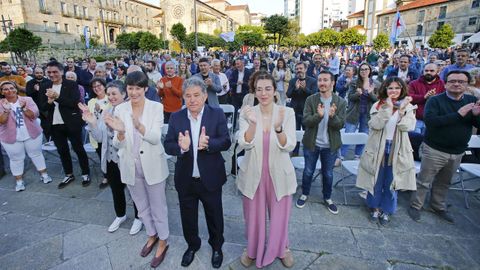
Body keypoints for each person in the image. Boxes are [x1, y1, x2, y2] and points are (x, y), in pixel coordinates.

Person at [164, 77, 231, 269]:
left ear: (204, 96)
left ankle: (217, 246)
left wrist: (209, 144)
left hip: (210, 177)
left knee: (215, 215)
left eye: (196, 95)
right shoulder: (177, 117)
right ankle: (192, 245)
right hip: (186, 179)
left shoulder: (216, 114)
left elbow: (226, 141)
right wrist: (180, 147)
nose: (192, 100)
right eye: (188, 96)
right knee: (188, 216)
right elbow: (167, 144)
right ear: (183, 97)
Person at [106, 71, 170, 267]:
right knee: (141, 207)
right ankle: (151, 234)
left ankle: (163, 241)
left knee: (158, 207)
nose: (133, 92)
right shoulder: (120, 109)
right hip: (129, 165)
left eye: (137, 88)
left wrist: (139, 126)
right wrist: (122, 133)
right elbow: (117, 144)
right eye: (130, 88)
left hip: (152, 165)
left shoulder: (156, 107)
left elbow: (155, 137)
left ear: (145, 89)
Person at [237, 72, 296, 268]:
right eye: (259, 89)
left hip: (279, 174)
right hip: (253, 172)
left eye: (268, 89)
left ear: (274, 90)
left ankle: (282, 248)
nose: (263, 93)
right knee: (253, 216)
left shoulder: (286, 113)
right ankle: (252, 249)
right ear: (254, 91)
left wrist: (278, 129)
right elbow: (243, 143)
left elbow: (290, 146)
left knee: (280, 216)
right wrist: (252, 124)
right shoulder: (247, 112)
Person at [408, 70, 480, 224]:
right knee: (424, 180)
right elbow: (432, 123)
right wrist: (458, 114)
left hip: (457, 151)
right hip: (435, 149)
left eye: (461, 82)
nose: (456, 84)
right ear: (445, 84)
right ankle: (416, 205)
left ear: (467, 85)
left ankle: (437, 206)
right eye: (453, 81)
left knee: (444, 182)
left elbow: (477, 125)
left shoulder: (471, 100)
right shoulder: (435, 101)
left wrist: (476, 115)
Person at [79, 80, 142, 234]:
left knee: (134, 189)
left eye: (114, 93)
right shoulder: (106, 110)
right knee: (116, 189)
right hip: (110, 158)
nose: (111, 97)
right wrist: (93, 123)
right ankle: (120, 215)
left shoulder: (131, 111)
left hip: (127, 158)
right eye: (109, 94)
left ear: (123, 94)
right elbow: (100, 138)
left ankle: (139, 217)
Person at [356, 77, 417, 226]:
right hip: (377, 148)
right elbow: (374, 125)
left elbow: (408, 127)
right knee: (375, 179)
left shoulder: (408, 106)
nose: (394, 91)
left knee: (391, 182)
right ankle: (374, 207)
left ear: (402, 89)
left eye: (397, 88)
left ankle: (387, 209)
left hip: (397, 148)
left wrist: (401, 111)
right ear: (385, 89)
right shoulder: (378, 105)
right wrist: (387, 110)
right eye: (390, 88)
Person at [296, 71, 346, 214]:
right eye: (319, 80)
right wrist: (318, 116)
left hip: (330, 146)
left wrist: (332, 117)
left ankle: (328, 197)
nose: (322, 83)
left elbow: (340, 125)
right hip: (312, 143)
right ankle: (305, 193)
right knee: (308, 171)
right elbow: (305, 121)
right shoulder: (311, 100)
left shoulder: (340, 102)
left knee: (328, 173)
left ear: (332, 83)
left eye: (325, 80)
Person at [38, 61, 91, 188]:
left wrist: (57, 97)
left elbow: (73, 103)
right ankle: (69, 174)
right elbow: (42, 107)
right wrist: (49, 102)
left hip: (71, 123)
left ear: (61, 71)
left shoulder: (71, 84)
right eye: (49, 72)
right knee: (62, 151)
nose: (52, 74)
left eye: (55, 71)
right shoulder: (45, 85)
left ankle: (85, 173)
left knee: (78, 149)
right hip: (55, 124)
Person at [0, 81, 52, 191]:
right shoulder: (1, 104)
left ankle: (44, 175)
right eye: (5, 89)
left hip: (31, 133)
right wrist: (6, 110)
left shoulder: (27, 100)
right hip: (10, 136)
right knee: (16, 159)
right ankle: (19, 181)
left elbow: (34, 115)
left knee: (36, 154)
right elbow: (2, 121)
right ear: (2, 92)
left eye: (11, 88)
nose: (9, 90)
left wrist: (23, 108)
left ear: (16, 89)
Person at [341, 63, 380, 160]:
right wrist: (357, 94)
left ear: (370, 71)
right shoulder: (354, 82)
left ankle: (357, 155)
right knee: (349, 133)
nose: (364, 71)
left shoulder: (376, 84)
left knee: (364, 134)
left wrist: (370, 93)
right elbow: (350, 97)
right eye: (362, 69)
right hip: (354, 112)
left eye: (366, 69)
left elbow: (377, 101)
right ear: (359, 71)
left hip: (367, 114)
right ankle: (341, 155)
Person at [408, 63, 446, 134]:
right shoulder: (413, 83)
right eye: (426, 70)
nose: (428, 72)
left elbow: (446, 99)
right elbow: (409, 97)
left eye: (432, 71)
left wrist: (434, 98)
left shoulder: (443, 84)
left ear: (437, 72)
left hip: (434, 120)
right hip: (416, 120)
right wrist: (424, 97)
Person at [87, 78, 110, 188]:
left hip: (109, 135)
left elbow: (111, 115)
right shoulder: (91, 102)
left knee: (112, 157)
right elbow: (89, 118)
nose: (97, 88)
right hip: (96, 135)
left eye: (99, 85)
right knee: (101, 156)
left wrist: (100, 110)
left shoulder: (110, 99)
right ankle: (106, 176)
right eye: (94, 86)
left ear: (104, 86)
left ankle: (117, 177)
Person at [287, 62, 318, 131]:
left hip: (307, 112)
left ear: (305, 69)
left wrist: (305, 89)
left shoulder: (313, 81)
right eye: (297, 69)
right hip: (295, 111)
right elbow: (288, 95)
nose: (299, 70)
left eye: (301, 68)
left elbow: (314, 95)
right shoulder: (292, 81)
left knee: (307, 135)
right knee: (294, 134)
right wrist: (296, 89)